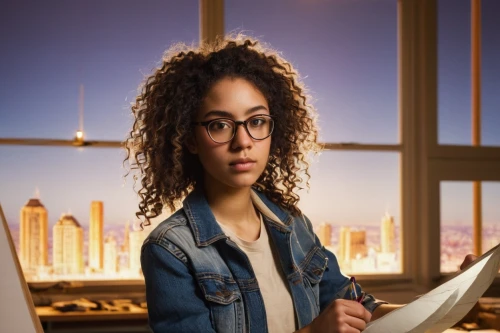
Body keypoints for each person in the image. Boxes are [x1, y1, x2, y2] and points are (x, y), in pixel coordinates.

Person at [124, 34, 476, 333]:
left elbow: (360, 310)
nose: (243, 141)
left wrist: (445, 298)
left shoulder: (293, 226)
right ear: (188, 138)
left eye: (257, 121)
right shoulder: (170, 250)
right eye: (220, 124)